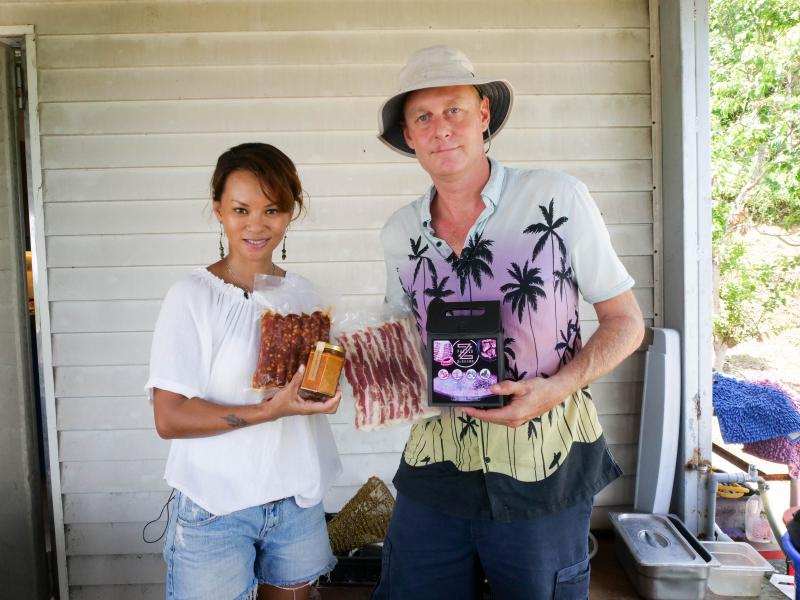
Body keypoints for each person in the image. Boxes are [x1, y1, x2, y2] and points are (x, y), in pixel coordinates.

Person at [373, 46, 645, 599]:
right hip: (437, 461)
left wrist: (555, 389)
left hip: (545, 461)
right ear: (408, 137)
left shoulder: (556, 198)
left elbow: (625, 322)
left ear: (483, 116)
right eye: (422, 117)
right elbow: (399, 339)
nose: (440, 129)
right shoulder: (399, 232)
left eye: (453, 110)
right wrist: (363, 374)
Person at [146, 142, 342, 600]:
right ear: (218, 210)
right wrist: (270, 411)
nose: (257, 224)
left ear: (291, 212)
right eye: (241, 209)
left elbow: (308, 396)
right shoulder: (193, 295)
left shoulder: (305, 295)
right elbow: (168, 418)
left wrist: (322, 394)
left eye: (273, 209)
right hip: (216, 507)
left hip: (294, 502)